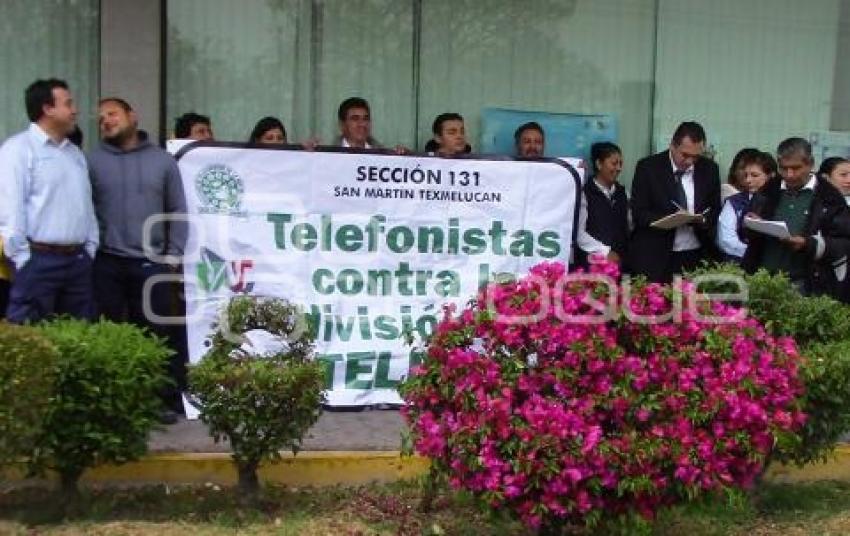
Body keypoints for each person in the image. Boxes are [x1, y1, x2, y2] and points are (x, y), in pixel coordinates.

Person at [88, 97, 188, 419]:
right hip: (106, 261)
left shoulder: (163, 161)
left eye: (112, 113)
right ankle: (113, 404)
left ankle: (159, 403)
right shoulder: (91, 162)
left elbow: (177, 209)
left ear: (133, 115)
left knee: (157, 334)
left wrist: (172, 255)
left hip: (152, 264)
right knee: (109, 335)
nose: (106, 120)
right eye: (101, 117)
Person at [0, 78, 98, 322]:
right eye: (68, 103)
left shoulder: (74, 154)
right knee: (29, 335)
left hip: (77, 261)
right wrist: (23, 259)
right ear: (47, 109)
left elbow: (85, 205)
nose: (75, 110)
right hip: (38, 259)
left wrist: (90, 247)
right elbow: (10, 208)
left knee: (80, 339)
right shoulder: (18, 150)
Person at [743, 138, 850, 298]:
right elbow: (744, 234)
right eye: (783, 168)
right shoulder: (767, 191)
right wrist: (751, 224)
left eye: (796, 168)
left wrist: (809, 244)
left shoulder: (830, 197)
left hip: (805, 283)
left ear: (811, 164)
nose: (789, 175)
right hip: (762, 278)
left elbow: (844, 243)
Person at [628, 121, 721, 282]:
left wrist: (702, 219)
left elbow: (715, 208)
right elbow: (639, 212)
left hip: (695, 252)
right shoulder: (648, 167)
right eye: (685, 155)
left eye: (696, 157)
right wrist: (669, 220)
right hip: (655, 253)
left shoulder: (709, 169)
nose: (690, 161)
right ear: (672, 145)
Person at [575, 142, 630, 269]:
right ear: (599, 164)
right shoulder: (585, 193)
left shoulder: (623, 192)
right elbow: (580, 234)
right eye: (614, 163)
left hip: (620, 264)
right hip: (593, 265)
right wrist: (604, 252)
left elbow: (628, 226)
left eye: (620, 164)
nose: (619, 168)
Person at [716, 151, 775, 263]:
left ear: (770, 175)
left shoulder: (780, 199)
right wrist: (752, 254)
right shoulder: (735, 202)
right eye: (746, 175)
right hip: (741, 263)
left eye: (754, 175)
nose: (748, 180)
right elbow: (726, 240)